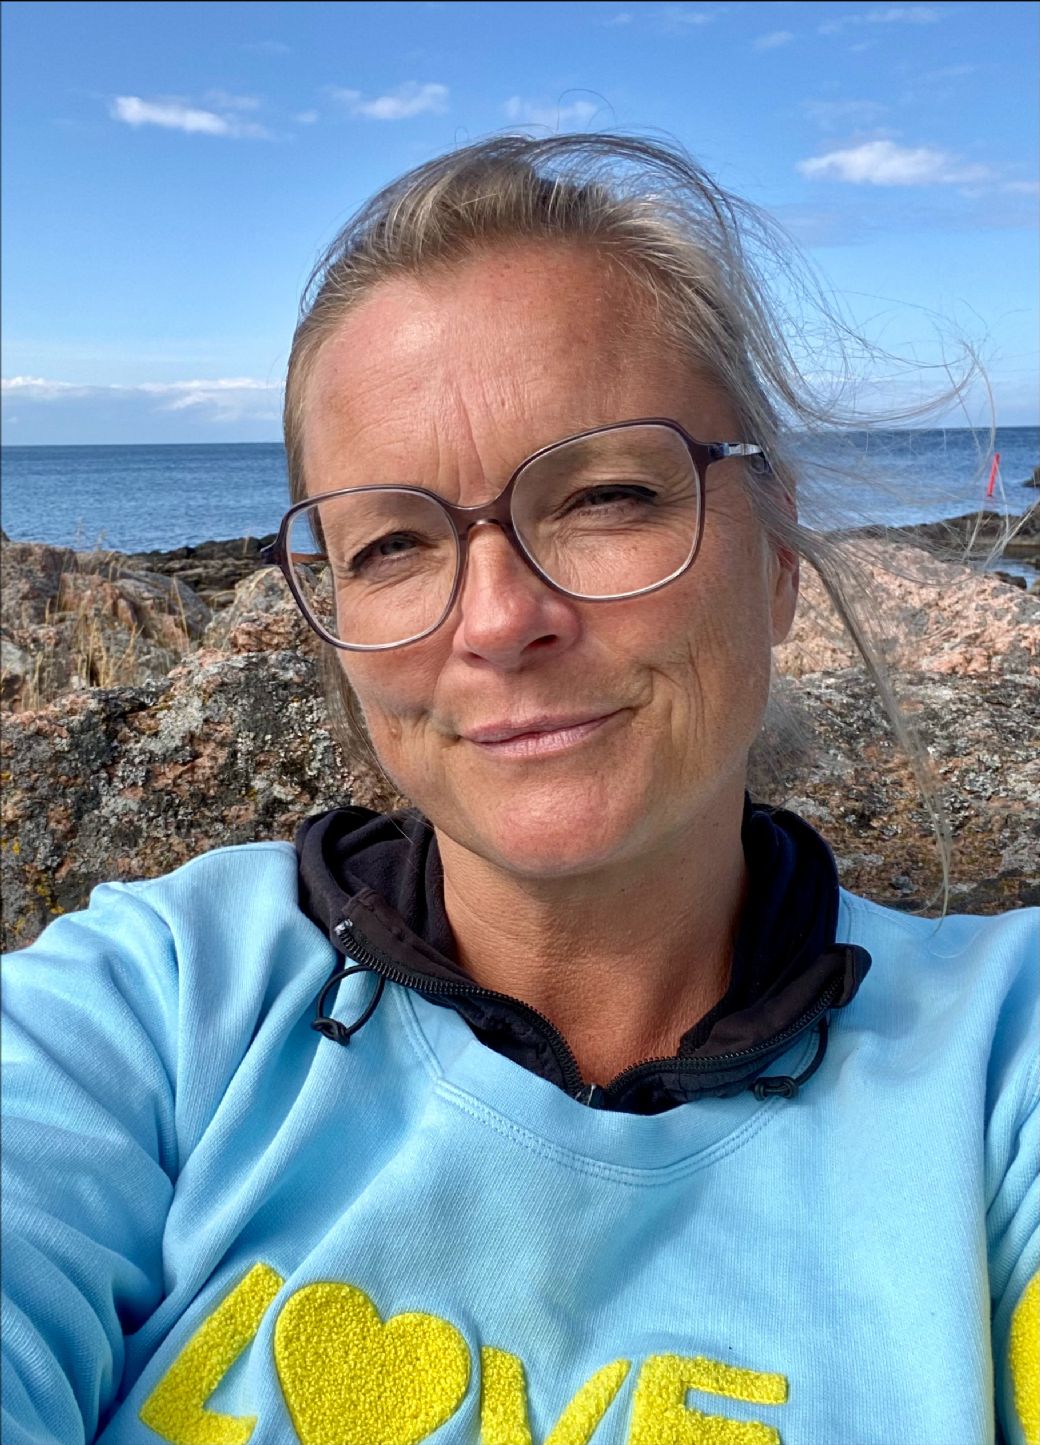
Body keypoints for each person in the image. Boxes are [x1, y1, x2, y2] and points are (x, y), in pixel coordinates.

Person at [2, 134, 1036, 1445]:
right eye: (392, 543)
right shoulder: (155, 1010)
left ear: (776, 557)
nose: (498, 620)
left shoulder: (997, 1064)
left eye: (605, 497)